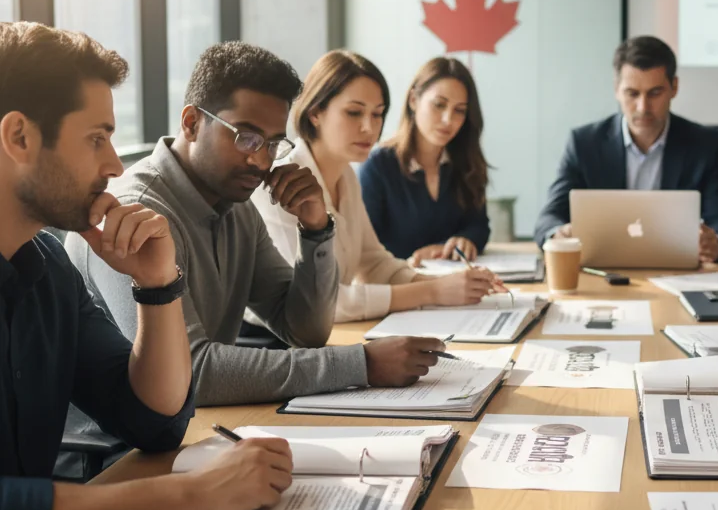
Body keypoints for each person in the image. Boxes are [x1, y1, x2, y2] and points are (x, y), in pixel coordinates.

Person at [0, 22, 295, 510]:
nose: (114, 165)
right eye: (95, 138)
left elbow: (152, 421)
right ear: (19, 137)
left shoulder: (48, 268)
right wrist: (193, 495)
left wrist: (158, 288)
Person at [67, 43, 445, 408]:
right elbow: (191, 371)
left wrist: (316, 229)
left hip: (192, 427)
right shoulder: (136, 212)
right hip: (115, 454)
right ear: (192, 123)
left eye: (273, 143)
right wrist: (361, 364)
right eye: (246, 138)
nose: (261, 162)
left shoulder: (236, 206)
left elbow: (304, 331)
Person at [253, 50, 498, 322]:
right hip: (269, 346)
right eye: (354, 112)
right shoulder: (281, 182)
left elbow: (374, 262)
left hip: (324, 338)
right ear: (315, 113)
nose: (370, 128)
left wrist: (448, 283)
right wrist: (433, 291)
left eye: (378, 114)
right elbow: (316, 303)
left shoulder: (345, 175)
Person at [532, 36, 718, 262]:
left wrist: (716, 244)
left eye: (654, 93)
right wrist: (558, 233)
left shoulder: (705, 145)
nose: (643, 107)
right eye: (632, 94)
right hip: (602, 272)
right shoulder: (584, 143)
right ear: (617, 90)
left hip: (678, 272)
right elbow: (548, 218)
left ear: (674, 88)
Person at [360, 57, 491, 265]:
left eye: (460, 110)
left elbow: (479, 225)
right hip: (398, 287)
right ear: (413, 100)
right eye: (439, 105)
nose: (448, 119)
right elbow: (364, 247)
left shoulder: (466, 162)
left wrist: (466, 239)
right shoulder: (378, 166)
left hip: (454, 286)